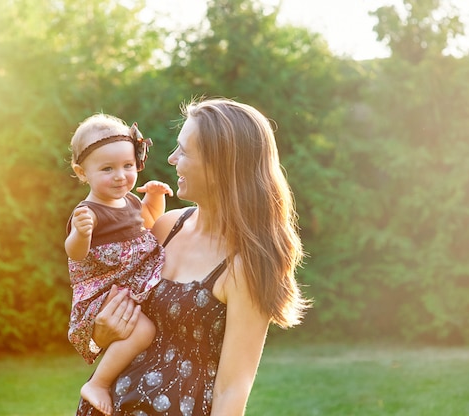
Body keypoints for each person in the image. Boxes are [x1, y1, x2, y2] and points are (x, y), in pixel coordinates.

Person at [76, 97, 310, 416]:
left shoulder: (245, 266)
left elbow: (232, 389)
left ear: (220, 165)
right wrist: (98, 336)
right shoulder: (166, 227)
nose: (171, 159)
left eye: (183, 151)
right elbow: (110, 314)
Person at [66, 113, 173, 416]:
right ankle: (98, 383)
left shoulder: (130, 202)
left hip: (129, 285)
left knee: (148, 329)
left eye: (128, 166)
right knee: (143, 331)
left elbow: (151, 224)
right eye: (107, 169)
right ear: (82, 172)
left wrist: (153, 197)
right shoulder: (88, 211)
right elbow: (74, 253)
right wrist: (80, 233)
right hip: (104, 294)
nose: (120, 176)